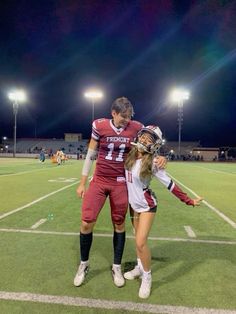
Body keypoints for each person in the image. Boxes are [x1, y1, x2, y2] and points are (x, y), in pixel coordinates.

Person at [74, 97, 166, 288]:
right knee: (86, 222)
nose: (126, 120)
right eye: (123, 116)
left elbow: (147, 144)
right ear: (113, 113)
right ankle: (84, 264)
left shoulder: (136, 127)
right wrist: (83, 182)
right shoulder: (99, 125)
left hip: (120, 182)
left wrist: (161, 157)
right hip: (99, 180)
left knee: (119, 224)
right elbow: (91, 154)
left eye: (129, 116)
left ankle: (116, 266)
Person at [123, 125, 203, 299]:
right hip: (133, 205)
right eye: (144, 136)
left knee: (141, 242)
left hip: (146, 205)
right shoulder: (130, 155)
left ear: (155, 144)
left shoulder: (152, 162)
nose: (144, 140)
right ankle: (139, 266)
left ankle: (147, 276)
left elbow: (170, 185)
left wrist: (188, 200)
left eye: (150, 139)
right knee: (136, 240)